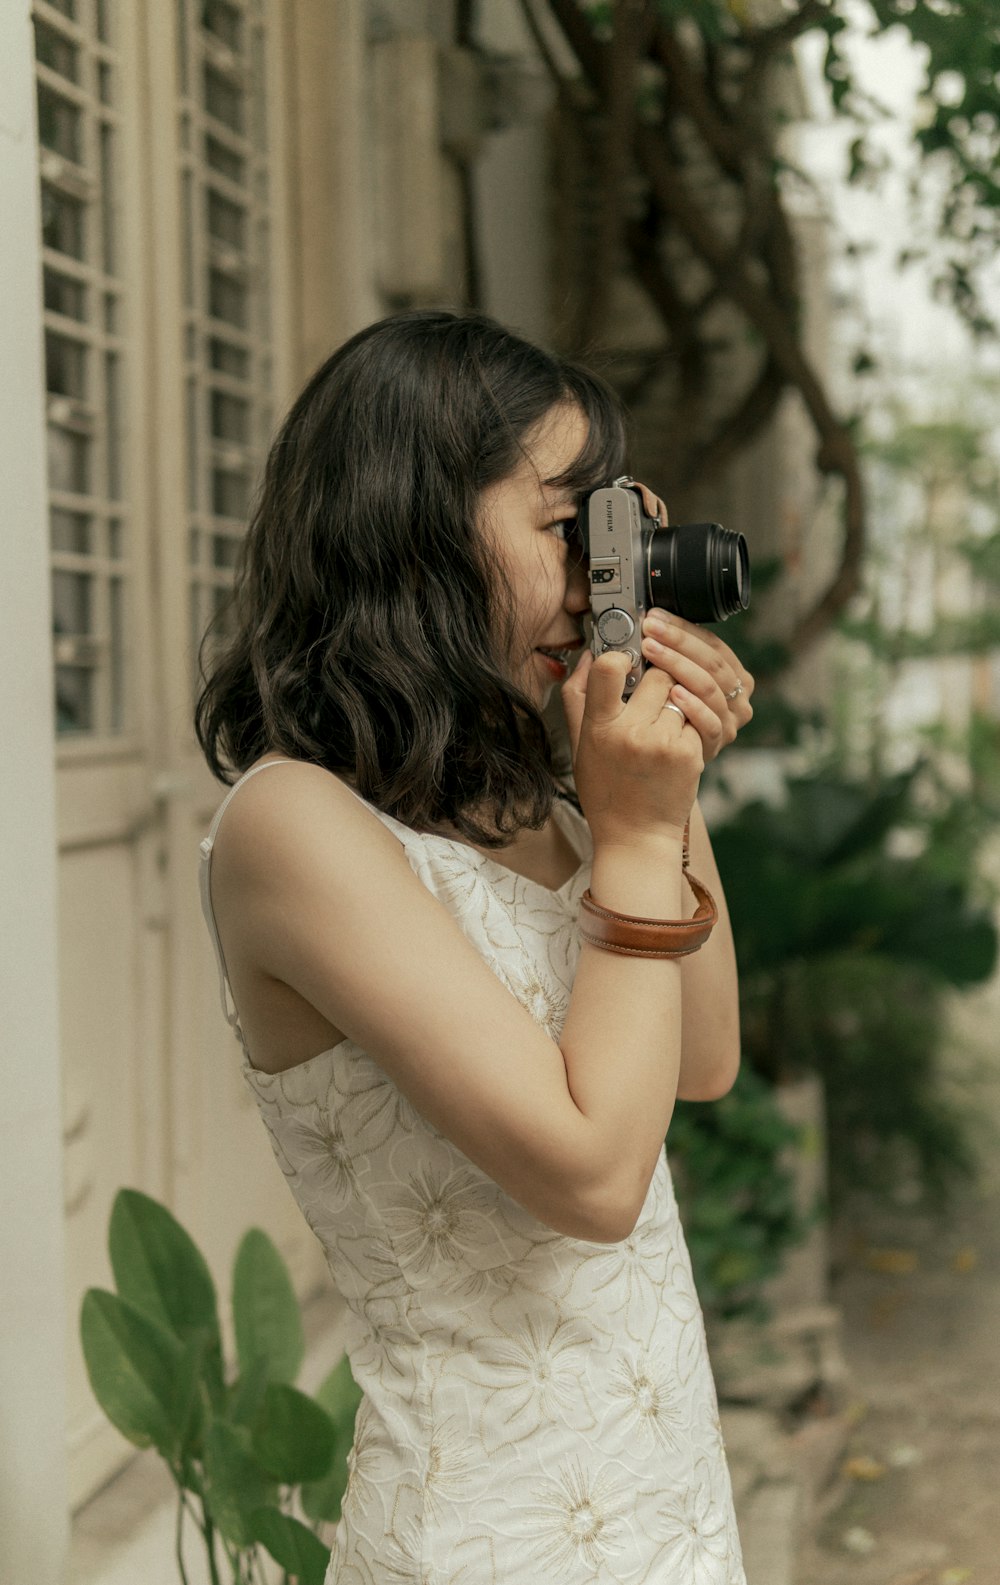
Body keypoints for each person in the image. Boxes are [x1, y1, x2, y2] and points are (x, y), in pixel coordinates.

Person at [195, 309, 755, 1584]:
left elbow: (702, 1057)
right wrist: (635, 829)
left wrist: (661, 784)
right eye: (571, 532)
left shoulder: (551, 810)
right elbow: (594, 1177)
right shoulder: (294, 826)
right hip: (492, 1537)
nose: (598, 575)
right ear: (415, 523)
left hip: (658, 1502)